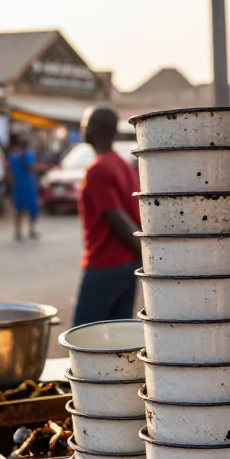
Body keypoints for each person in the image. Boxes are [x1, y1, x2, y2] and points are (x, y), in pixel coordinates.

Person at [71, 106, 140, 326]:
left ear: (93, 129)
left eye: (84, 123)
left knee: (83, 336)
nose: (82, 128)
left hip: (105, 265)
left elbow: (118, 219)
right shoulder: (123, 165)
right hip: (128, 264)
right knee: (118, 339)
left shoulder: (98, 169)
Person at [8, 135, 40, 241]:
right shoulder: (23, 156)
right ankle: (26, 230)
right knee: (23, 209)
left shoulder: (16, 156)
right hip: (25, 185)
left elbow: (9, 171)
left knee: (24, 209)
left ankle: (23, 231)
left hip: (22, 185)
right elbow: (30, 168)